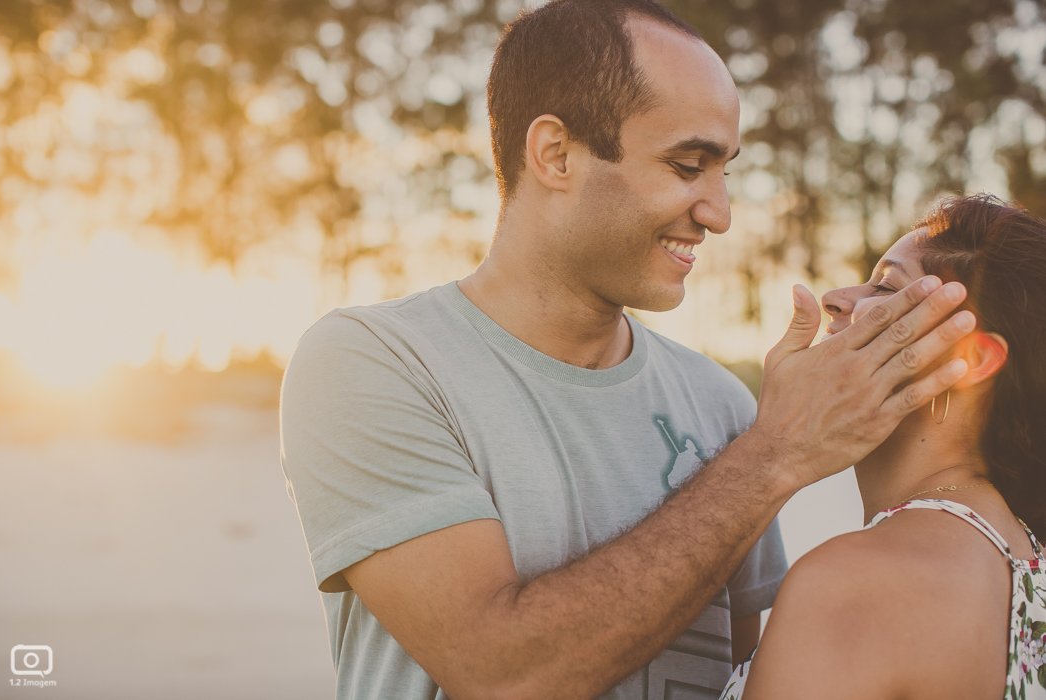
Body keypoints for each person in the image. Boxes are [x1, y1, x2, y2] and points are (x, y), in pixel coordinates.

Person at [278, 1, 974, 698]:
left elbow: (734, 676)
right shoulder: (371, 363)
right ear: (555, 153)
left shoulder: (721, 406)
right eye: (688, 165)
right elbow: (501, 673)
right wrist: (779, 453)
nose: (720, 213)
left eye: (724, 170)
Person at [719, 194, 1046, 700]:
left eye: (885, 285)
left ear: (971, 358)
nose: (834, 298)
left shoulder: (855, 584)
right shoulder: (1026, 562)